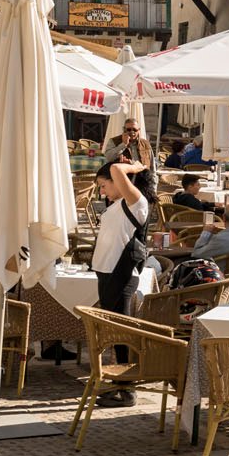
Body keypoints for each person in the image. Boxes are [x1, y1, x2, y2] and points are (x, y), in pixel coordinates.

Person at [91, 159, 151, 407]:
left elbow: (116, 169)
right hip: (107, 271)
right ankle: (119, 382)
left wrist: (136, 167)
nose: (102, 192)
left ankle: (127, 390)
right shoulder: (116, 204)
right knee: (113, 330)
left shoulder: (136, 202)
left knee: (121, 330)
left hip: (122, 272)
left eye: (103, 186)